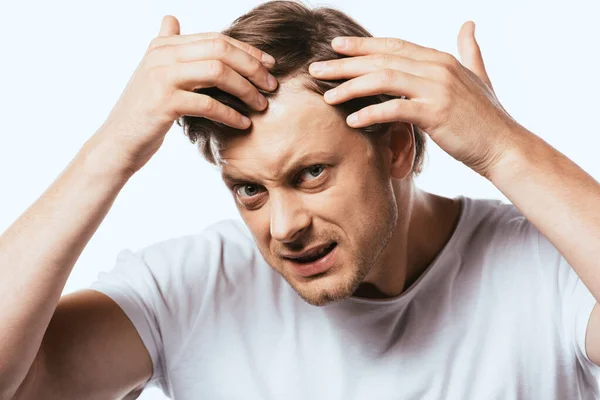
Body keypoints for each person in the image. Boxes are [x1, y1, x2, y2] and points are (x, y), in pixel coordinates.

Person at [1, 0, 599, 399]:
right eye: (250, 190)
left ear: (395, 149)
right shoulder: (189, 286)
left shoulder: (546, 265)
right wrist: (111, 150)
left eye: (311, 173)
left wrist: (502, 148)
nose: (282, 227)